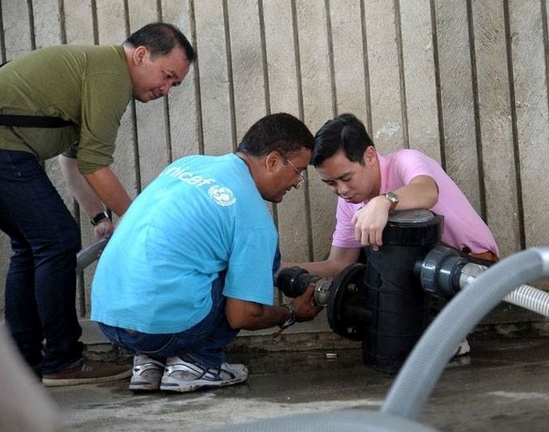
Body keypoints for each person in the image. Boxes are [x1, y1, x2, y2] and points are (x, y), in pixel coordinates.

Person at [0, 22, 195, 386]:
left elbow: (72, 161)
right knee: (56, 242)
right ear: (140, 55)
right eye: (167, 76)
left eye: (175, 84)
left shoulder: (97, 68)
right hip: (5, 148)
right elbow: (95, 164)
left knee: (31, 247)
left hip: (8, 148)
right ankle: (62, 359)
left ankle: (22, 367)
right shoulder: (111, 74)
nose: (166, 90)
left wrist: (99, 216)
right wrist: (140, 219)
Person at [91, 113, 323, 393]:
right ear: (273, 160)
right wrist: (290, 311)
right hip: (164, 329)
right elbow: (243, 315)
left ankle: (150, 363)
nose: (298, 183)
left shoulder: (187, 165)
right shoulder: (254, 219)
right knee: (253, 262)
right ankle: (196, 363)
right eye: (299, 171)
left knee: (190, 256)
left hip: (109, 317)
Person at [282, 113, 499, 356]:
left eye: (346, 178)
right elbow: (339, 263)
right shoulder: (349, 200)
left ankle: (442, 332)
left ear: (370, 156)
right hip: (423, 272)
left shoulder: (406, 161)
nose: (341, 190)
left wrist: (384, 202)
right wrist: (282, 268)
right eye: (330, 184)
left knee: (384, 244)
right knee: (354, 269)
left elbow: (427, 192)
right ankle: (419, 333)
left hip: (473, 272)